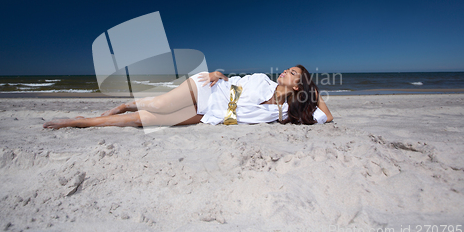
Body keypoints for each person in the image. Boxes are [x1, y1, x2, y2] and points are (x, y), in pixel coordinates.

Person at [43, 65, 333, 129]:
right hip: (207, 90)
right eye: (287, 69)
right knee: (156, 103)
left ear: (299, 85)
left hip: (211, 115)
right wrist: (218, 73)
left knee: (146, 121)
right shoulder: (260, 79)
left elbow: (326, 116)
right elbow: (231, 80)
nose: (285, 71)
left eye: (293, 72)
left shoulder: (284, 114)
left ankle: (82, 122)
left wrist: (313, 91)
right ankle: (123, 103)